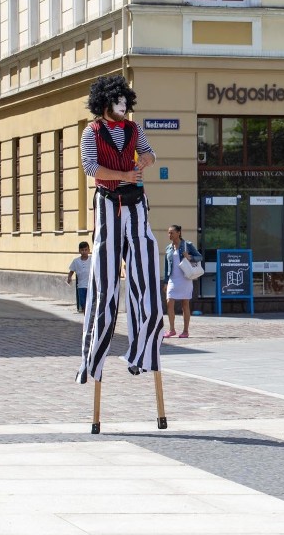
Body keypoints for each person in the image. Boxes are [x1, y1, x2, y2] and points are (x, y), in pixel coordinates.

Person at [75, 75, 164, 384]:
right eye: (118, 103)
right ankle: (93, 359)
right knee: (105, 285)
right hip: (108, 202)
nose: (124, 107)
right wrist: (123, 173)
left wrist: (146, 163)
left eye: (126, 102)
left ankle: (141, 354)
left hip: (136, 202)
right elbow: (91, 168)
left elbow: (150, 153)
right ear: (105, 104)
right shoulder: (91, 131)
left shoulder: (133, 129)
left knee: (147, 280)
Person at [163, 225, 202, 339]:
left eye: (172, 232)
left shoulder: (187, 245)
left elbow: (200, 257)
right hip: (173, 279)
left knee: (185, 304)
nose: (169, 235)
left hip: (185, 278)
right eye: (168, 233)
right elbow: (167, 266)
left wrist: (189, 257)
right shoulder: (168, 248)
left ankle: (185, 331)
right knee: (169, 302)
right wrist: (166, 282)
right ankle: (172, 330)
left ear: (179, 233)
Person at [66, 241, 91, 313]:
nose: (84, 252)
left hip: (90, 286)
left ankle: (89, 318)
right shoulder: (76, 261)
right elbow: (71, 271)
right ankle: (86, 316)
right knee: (83, 304)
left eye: (86, 250)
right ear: (79, 251)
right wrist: (69, 278)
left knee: (90, 303)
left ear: (89, 250)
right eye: (82, 250)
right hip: (81, 286)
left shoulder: (92, 259)